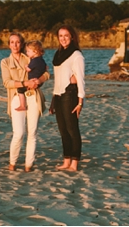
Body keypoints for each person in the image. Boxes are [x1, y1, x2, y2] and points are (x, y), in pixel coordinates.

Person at [1, 34, 49, 172]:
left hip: (33, 96)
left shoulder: (30, 56)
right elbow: (6, 82)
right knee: (19, 133)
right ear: (9, 44)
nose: (15, 45)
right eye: (12, 42)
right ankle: (12, 163)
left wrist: (39, 81)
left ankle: (29, 165)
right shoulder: (5, 62)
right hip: (17, 96)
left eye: (17, 42)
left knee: (32, 132)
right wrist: (25, 83)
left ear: (21, 44)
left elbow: (46, 73)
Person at [51, 24, 85, 171]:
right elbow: (57, 79)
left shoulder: (76, 55)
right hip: (58, 95)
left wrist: (80, 101)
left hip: (70, 94)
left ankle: (74, 163)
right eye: (60, 36)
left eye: (66, 35)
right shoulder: (58, 55)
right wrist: (53, 99)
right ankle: (66, 161)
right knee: (63, 130)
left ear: (72, 37)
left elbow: (81, 79)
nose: (63, 39)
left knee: (72, 130)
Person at [15, 40, 47, 111]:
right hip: (39, 82)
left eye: (28, 51)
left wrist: (26, 66)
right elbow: (45, 69)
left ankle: (22, 105)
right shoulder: (42, 60)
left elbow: (28, 69)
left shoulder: (34, 60)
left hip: (32, 81)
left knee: (20, 89)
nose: (26, 53)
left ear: (35, 51)